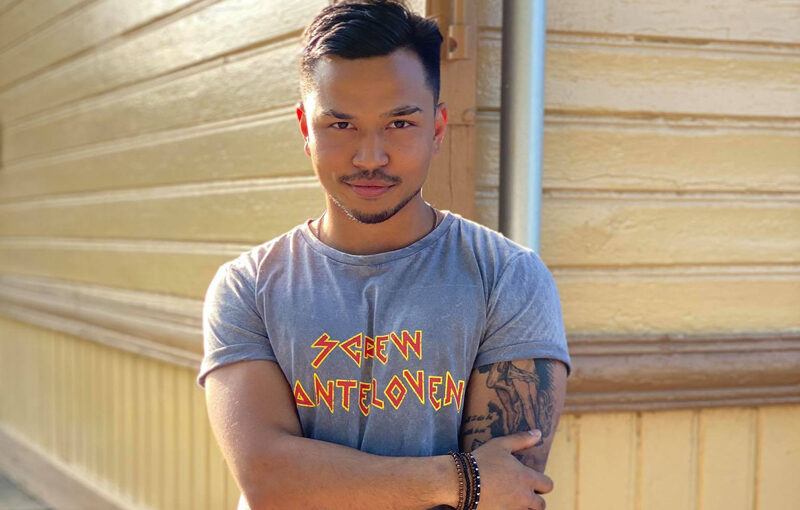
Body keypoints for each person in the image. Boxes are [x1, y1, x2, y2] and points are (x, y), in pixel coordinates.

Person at [197, 1, 571, 508]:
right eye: (341, 125)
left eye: (399, 124)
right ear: (306, 130)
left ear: (437, 129)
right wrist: (462, 480)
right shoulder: (248, 286)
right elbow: (267, 479)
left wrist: (322, 476)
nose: (369, 157)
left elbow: (509, 491)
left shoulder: (507, 277)